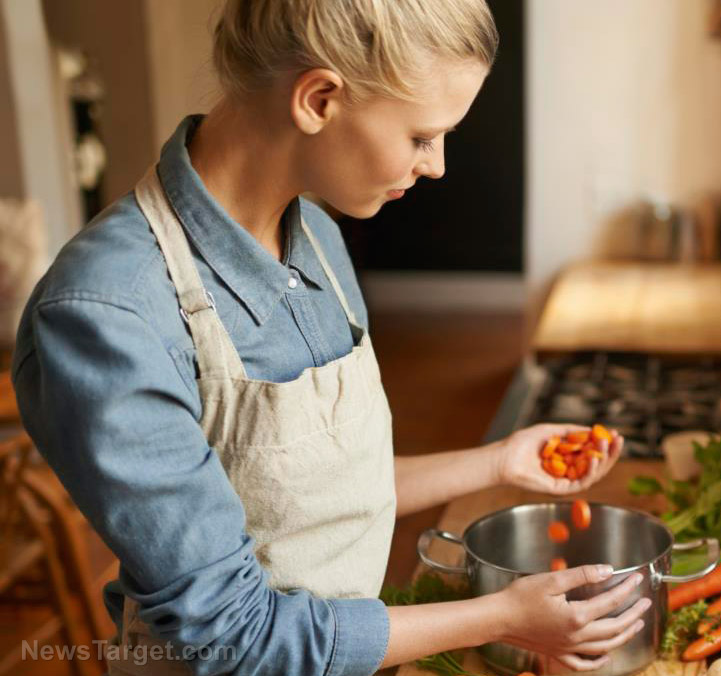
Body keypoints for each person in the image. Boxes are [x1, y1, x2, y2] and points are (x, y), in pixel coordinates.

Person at [12, 1, 648, 673]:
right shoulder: (107, 314)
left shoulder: (317, 238)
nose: (436, 165)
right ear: (319, 99)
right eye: (421, 137)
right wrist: (503, 618)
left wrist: (499, 464)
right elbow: (235, 638)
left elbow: (310, 500)